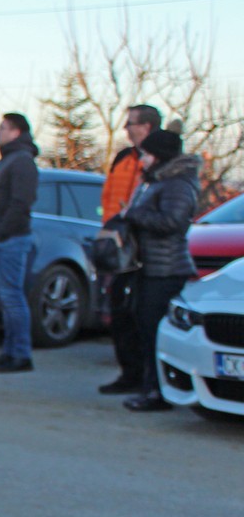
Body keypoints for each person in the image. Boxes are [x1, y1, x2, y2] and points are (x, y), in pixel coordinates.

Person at [114, 129, 198, 412]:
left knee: (154, 331)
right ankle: (149, 386)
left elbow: (173, 222)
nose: (143, 160)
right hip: (147, 266)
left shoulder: (177, 184)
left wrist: (133, 215)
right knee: (142, 327)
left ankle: (158, 393)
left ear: (160, 156)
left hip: (166, 269)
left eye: (148, 154)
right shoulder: (154, 182)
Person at [98, 105, 161, 394]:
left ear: (146, 127)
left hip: (145, 249)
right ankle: (129, 374)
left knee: (142, 316)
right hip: (118, 246)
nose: (126, 128)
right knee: (119, 313)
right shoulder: (123, 158)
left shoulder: (162, 160)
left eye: (131, 123)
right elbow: (109, 197)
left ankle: (150, 377)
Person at [0, 113, 39, 374]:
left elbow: (20, 203)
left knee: (13, 298)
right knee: (5, 299)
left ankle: (21, 354)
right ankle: (9, 351)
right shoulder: (7, 160)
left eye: (2, 127)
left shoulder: (22, 161)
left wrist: (0, 235)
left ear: (16, 132)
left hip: (10, 241)